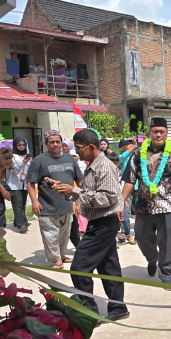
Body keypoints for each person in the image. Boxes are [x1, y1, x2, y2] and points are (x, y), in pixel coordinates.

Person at [52, 129, 129, 322]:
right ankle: (118, 308)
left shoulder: (104, 167)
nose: (77, 152)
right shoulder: (92, 166)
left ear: (91, 146)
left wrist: (75, 191)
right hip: (99, 222)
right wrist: (67, 191)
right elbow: (88, 194)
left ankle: (89, 313)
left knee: (79, 268)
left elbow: (107, 198)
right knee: (109, 268)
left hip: (104, 223)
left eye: (79, 148)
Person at [122, 117, 171, 284]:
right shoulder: (138, 153)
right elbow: (130, 179)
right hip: (144, 205)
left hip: (168, 205)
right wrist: (120, 201)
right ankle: (153, 259)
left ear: (167, 134)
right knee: (141, 236)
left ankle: (166, 272)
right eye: (155, 131)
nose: (158, 135)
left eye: (162, 132)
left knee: (167, 240)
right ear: (150, 133)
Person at [26, 130, 83, 269]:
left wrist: (80, 199)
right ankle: (56, 259)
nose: (55, 144)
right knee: (50, 235)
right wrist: (34, 201)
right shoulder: (39, 160)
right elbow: (30, 182)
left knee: (64, 234)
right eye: (52, 142)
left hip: (67, 205)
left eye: (58, 141)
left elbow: (79, 180)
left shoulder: (70, 159)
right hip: (47, 206)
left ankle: (61, 255)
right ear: (46, 143)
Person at [105, 152, 136, 246]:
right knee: (112, 222)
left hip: (120, 201)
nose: (115, 165)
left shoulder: (121, 175)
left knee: (125, 220)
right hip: (109, 202)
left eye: (116, 163)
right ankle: (112, 239)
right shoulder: (104, 175)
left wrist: (124, 200)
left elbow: (123, 187)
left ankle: (128, 235)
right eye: (112, 163)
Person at [9, 137, 32, 232]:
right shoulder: (12, 156)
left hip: (24, 183)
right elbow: (13, 169)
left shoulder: (27, 156)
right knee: (17, 203)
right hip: (14, 184)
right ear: (15, 145)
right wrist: (23, 163)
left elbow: (29, 169)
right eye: (19, 145)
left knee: (22, 203)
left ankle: (17, 221)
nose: (22, 147)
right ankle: (22, 224)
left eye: (23, 145)